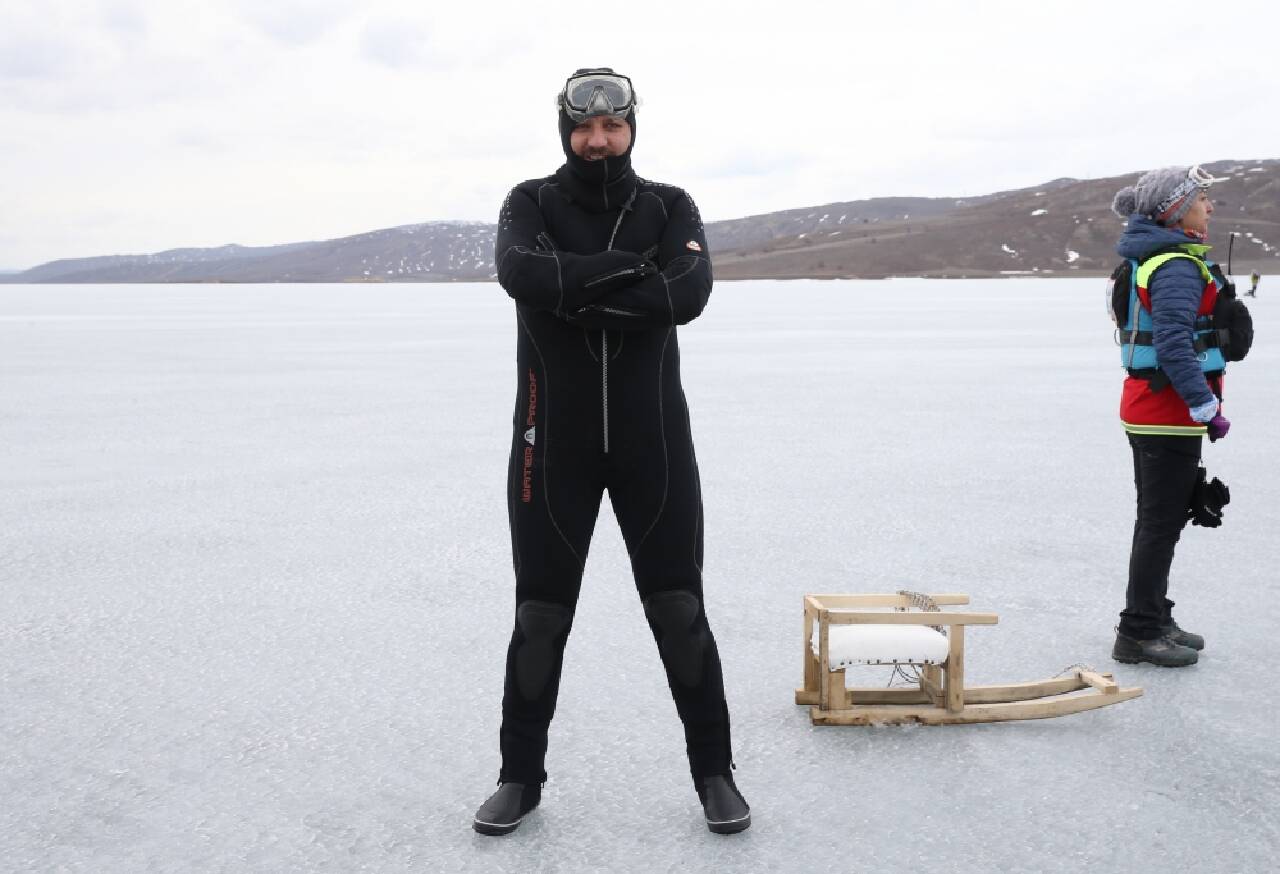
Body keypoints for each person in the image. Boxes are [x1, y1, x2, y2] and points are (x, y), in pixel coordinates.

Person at [473, 68, 749, 837]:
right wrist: (633, 274)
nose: (598, 141)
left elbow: (685, 295)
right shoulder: (530, 202)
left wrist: (571, 291)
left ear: (632, 128)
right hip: (548, 446)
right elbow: (519, 272)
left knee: (679, 609)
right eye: (583, 128)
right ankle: (519, 778)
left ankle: (715, 774)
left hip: (651, 445)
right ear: (565, 128)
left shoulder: (670, 205)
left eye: (613, 128)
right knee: (539, 617)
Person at [1109, 165, 1234, 668]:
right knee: (1159, 524)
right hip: (1166, 411)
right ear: (1177, 208)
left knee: (1163, 520)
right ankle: (1137, 630)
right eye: (1203, 197)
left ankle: (1155, 615)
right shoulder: (1175, 265)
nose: (1210, 205)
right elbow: (1174, 344)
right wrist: (1205, 406)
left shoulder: (1164, 258)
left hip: (1157, 411)